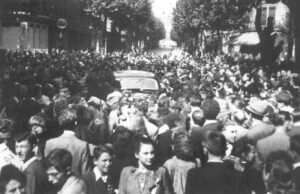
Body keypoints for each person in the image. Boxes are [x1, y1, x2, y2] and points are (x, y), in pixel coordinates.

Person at [45, 108, 91, 176]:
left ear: (60, 123)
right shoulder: (83, 145)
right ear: (75, 123)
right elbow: (85, 173)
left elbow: (46, 169)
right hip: (75, 183)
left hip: (55, 183)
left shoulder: (49, 143)